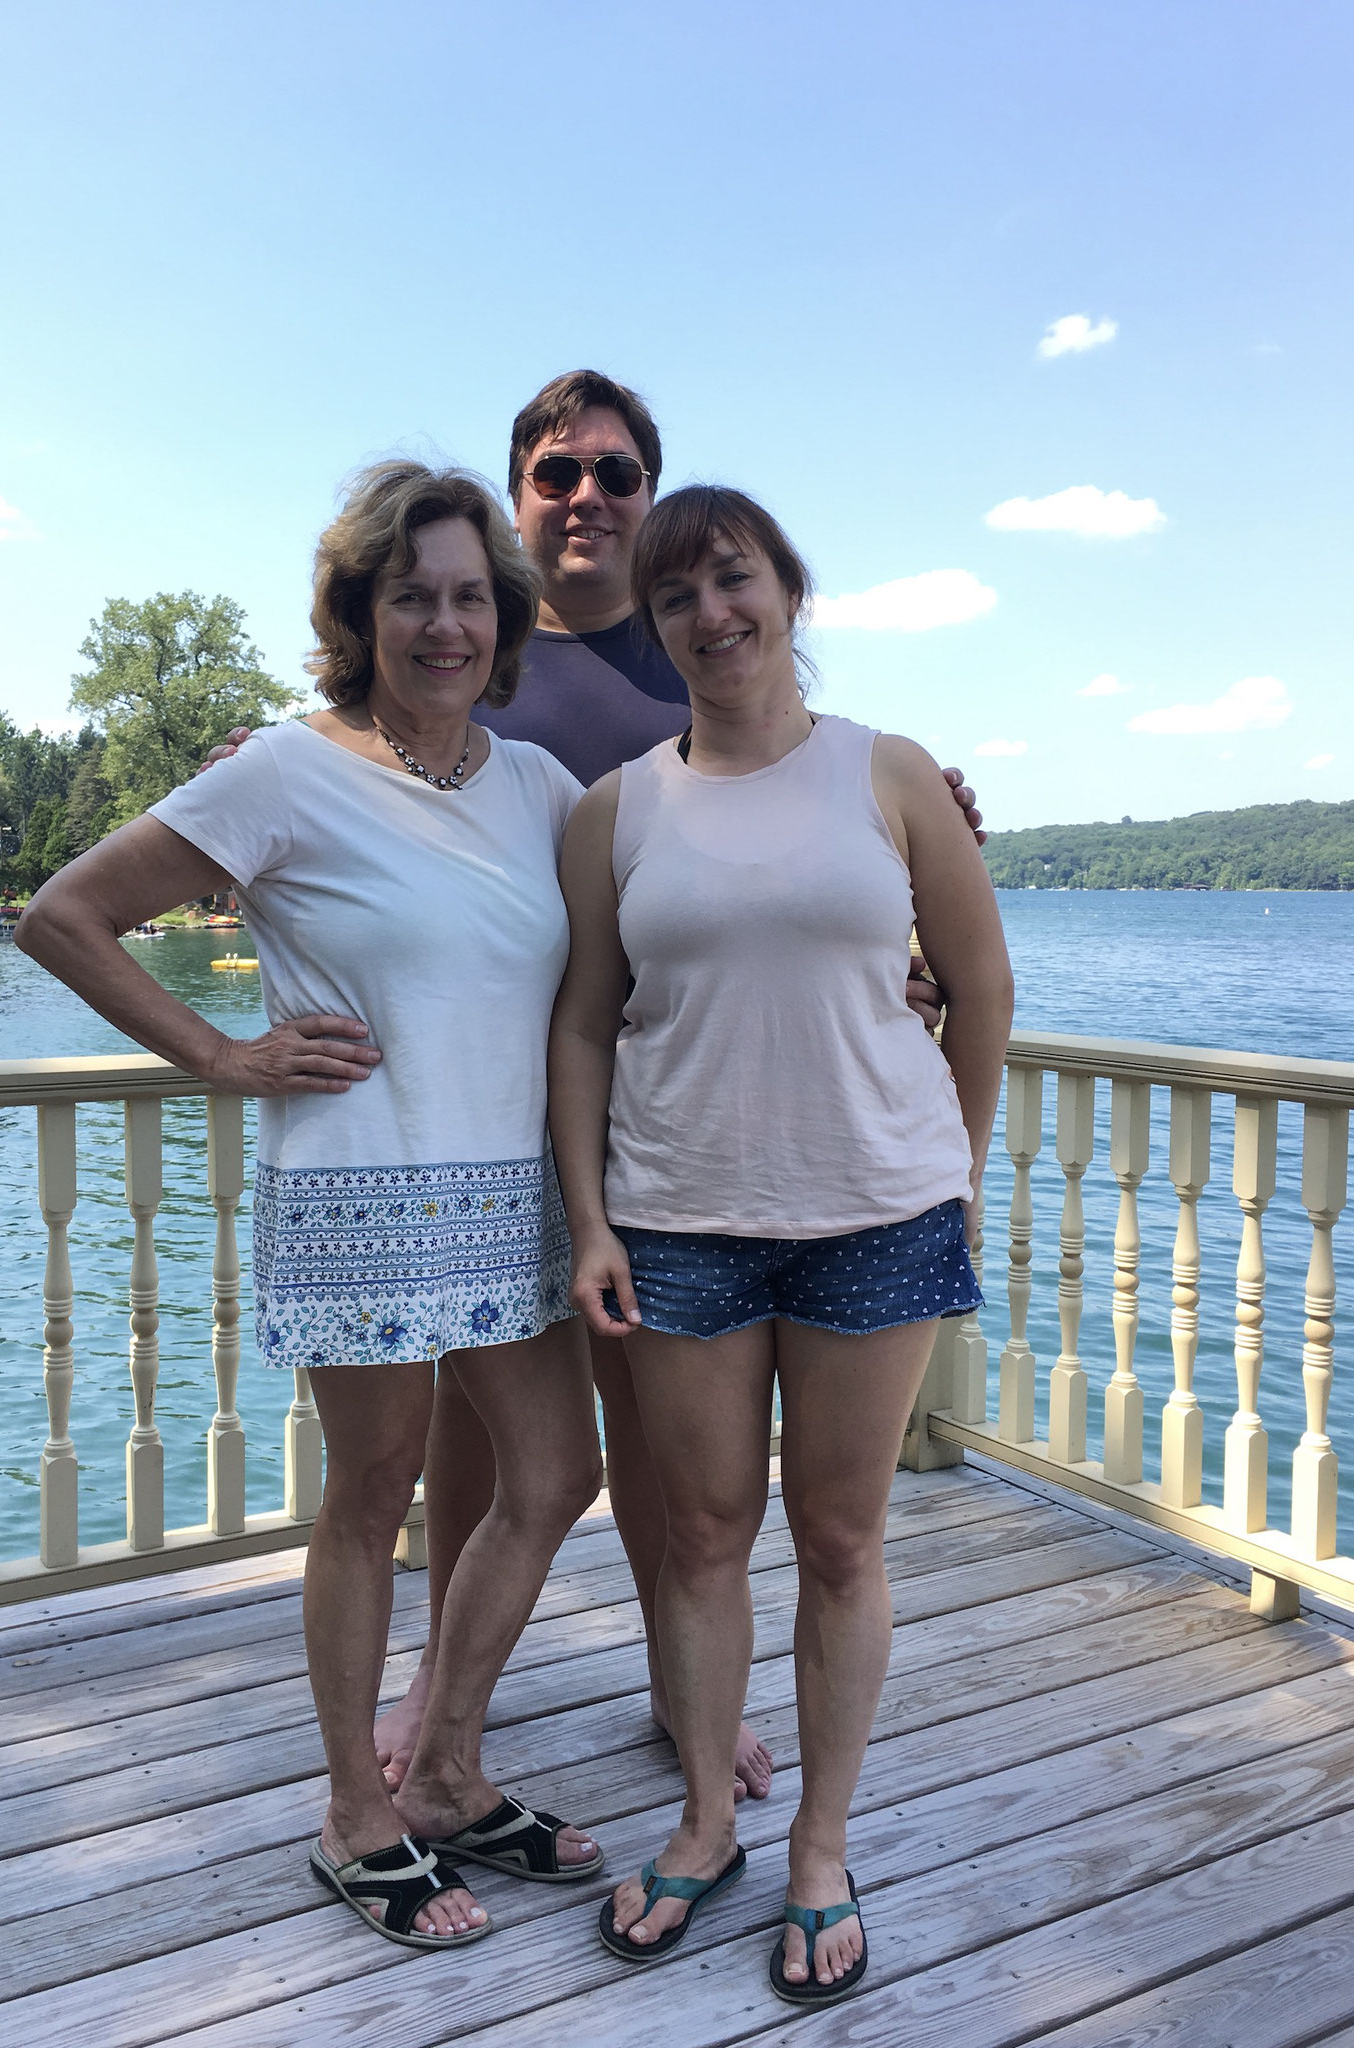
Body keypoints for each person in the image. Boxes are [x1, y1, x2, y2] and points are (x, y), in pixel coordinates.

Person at [206, 370, 988, 1810]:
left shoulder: (683, 654)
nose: (590, 498)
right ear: (519, 500)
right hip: (476, 1126)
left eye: (618, 475)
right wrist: (247, 785)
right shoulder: (483, 653)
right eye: (559, 473)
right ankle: (447, 1707)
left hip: (669, 1132)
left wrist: (913, 870)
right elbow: (370, 772)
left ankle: (672, 1698)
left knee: (650, 1461)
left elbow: (803, 825)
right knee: (464, 1448)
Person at [16, 461, 605, 1955]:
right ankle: (356, 1810)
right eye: (413, 594)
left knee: (552, 1475)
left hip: (510, 1195)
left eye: (472, 595)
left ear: (504, 613)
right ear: (361, 608)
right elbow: (64, 915)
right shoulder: (283, 770)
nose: (446, 623)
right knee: (372, 1496)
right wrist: (220, 1051)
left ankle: (453, 1766)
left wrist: (902, 874)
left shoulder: (539, 790)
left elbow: (668, 920)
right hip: (358, 1190)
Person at [548, 485, 1013, 2006]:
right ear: (655, 621)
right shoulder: (616, 809)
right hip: (678, 1221)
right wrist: (593, 1218)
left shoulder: (887, 779)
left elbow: (981, 986)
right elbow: (580, 1022)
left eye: (732, 582)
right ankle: (700, 1822)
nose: (709, 617)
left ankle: (819, 1843)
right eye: (675, 598)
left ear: (787, 592)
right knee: (693, 1535)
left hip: (872, 1214)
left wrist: (956, 1164)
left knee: (839, 1540)